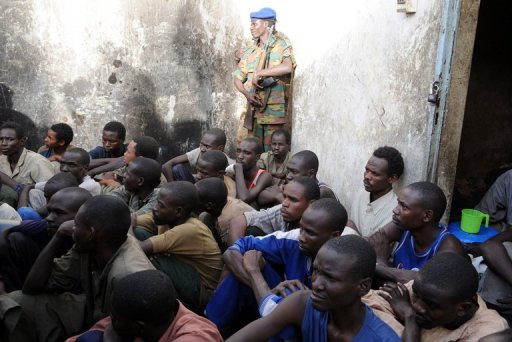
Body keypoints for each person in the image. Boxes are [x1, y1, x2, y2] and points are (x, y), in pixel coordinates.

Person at [0, 195, 154, 342]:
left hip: (114, 327)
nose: (70, 228)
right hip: (91, 309)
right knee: (16, 301)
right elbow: (32, 288)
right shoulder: (88, 245)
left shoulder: (128, 274)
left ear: (91, 233)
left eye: (76, 225)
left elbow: (129, 331)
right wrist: (58, 236)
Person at [205, 198, 348, 332]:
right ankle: (208, 327)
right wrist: (265, 288)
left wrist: (258, 278)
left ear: (334, 236)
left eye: (310, 233)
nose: (301, 237)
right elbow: (234, 249)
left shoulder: (347, 263)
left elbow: (312, 313)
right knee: (245, 263)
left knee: (286, 292)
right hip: (281, 304)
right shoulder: (294, 239)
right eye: (301, 228)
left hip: (311, 323)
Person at [227, 235, 400, 342]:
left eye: (330, 278)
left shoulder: (381, 338)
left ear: (362, 287)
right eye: (316, 271)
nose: (316, 284)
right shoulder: (303, 303)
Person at [134, 181, 222, 313]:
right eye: (157, 202)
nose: (155, 208)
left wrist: (127, 226)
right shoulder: (165, 216)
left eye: (161, 205)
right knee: (138, 232)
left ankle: (161, 306)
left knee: (154, 258)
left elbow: (139, 249)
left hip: (204, 292)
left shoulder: (190, 229)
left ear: (178, 211)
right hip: (185, 276)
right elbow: (132, 220)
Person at [378, 253, 508, 342]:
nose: (417, 307)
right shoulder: (424, 290)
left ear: (462, 308)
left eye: (431, 305)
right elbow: (368, 308)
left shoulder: (489, 332)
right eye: (416, 296)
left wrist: (409, 318)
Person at [67, 270, 222, 342]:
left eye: (114, 319)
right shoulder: (134, 316)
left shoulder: (196, 336)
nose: (109, 322)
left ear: (139, 327)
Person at [367, 181, 466, 284]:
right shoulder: (404, 226)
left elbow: (422, 282)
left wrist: (380, 263)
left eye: (404, 207)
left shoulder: (448, 248)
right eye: (398, 203)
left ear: (427, 216)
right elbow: (374, 240)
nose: (395, 210)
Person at [0, 187, 92, 292]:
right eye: (49, 211)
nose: (49, 218)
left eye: (59, 213)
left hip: (81, 296)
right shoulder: (49, 224)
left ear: (82, 216)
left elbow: (31, 288)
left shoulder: (94, 240)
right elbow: (11, 226)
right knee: (16, 239)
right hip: (49, 280)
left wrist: (58, 235)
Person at [235, 7, 295, 151]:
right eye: (251, 24)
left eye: (254, 23)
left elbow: (287, 67)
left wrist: (260, 72)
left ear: (267, 25)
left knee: (273, 151)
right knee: (252, 151)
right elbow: (237, 78)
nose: (251, 27)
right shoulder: (250, 51)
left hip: (273, 111)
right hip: (254, 110)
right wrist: (247, 94)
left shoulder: (281, 45)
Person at [228, 176, 320, 246]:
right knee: (251, 231)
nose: (284, 203)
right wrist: (236, 252)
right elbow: (238, 221)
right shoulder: (283, 210)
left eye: (293, 200)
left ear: (311, 204)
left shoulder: (320, 229)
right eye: (284, 196)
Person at [348, 146, 404, 237]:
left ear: (392, 178)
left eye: (375, 173)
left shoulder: (395, 211)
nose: (367, 176)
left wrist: (352, 228)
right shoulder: (360, 195)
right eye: (367, 170)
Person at [0, 121, 55, 207]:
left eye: (10, 139)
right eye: (1, 139)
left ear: (22, 141)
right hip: (8, 208)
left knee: (33, 192)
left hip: (33, 210)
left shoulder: (37, 161)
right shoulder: (1, 160)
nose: (3, 143)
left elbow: (51, 190)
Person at [28, 148, 101, 210]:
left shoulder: (90, 186)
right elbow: (30, 186)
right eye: (62, 163)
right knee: (34, 192)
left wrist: (26, 213)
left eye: (71, 165)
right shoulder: (65, 180)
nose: (64, 169)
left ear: (85, 168)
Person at [258, 150, 337, 207]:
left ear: (311, 174)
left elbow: (305, 217)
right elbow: (260, 198)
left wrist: (282, 199)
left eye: (294, 172)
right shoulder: (293, 185)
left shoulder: (322, 192)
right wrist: (277, 196)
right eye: (288, 171)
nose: (288, 176)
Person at [195, 177, 254, 252]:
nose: (191, 200)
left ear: (209, 205)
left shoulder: (227, 220)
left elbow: (232, 251)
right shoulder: (222, 202)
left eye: (194, 199)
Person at [162, 128, 232, 182]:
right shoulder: (199, 151)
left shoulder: (229, 165)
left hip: (214, 191)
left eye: (207, 146)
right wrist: (171, 187)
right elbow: (166, 165)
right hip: (197, 186)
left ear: (220, 148)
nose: (202, 149)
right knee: (177, 168)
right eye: (201, 144)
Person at [95, 135, 160, 188]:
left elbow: (123, 195)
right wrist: (113, 178)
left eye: (128, 152)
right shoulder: (128, 166)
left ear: (140, 159)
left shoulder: (154, 186)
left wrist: (111, 183)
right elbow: (103, 177)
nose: (124, 154)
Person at [233, 137, 273, 208]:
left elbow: (244, 198)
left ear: (257, 157)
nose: (240, 156)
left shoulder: (264, 176)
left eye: (247, 153)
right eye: (238, 151)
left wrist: (239, 171)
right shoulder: (231, 172)